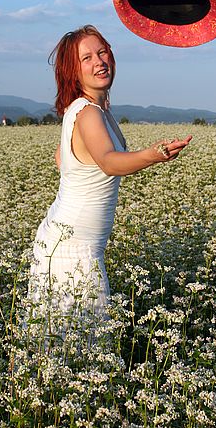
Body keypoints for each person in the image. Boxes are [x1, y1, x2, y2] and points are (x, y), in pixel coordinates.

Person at [27, 25, 192, 333]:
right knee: (83, 345)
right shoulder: (89, 113)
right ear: (72, 71)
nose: (99, 62)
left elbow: (61, 158)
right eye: (86, 58)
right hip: (72, 249)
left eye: (102, 52)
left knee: (63, 344)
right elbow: (108, 162)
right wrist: (155, 154)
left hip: (64, 239)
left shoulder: (90, 110)